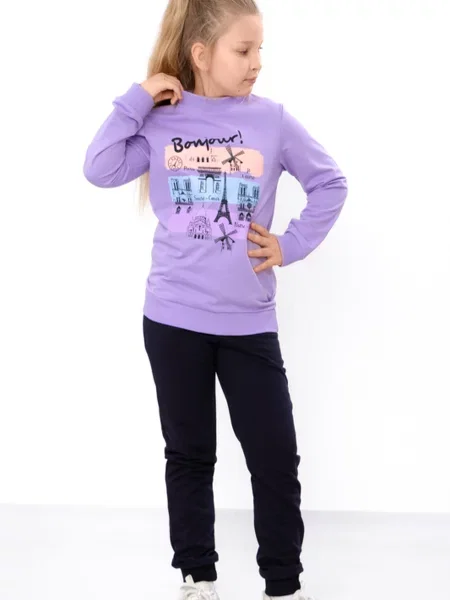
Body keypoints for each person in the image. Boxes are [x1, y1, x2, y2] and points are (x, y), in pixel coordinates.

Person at [83, 0, 348, 598]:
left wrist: (289, 245)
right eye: (243, 50)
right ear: (201, 54)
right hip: (172, 317)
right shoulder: (161, 121)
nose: (257, 62)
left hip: (248, 322)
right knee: (189, 453)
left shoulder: (272, 122)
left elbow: (330, 183)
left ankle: (283, 584)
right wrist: (138, 98)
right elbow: (98, 168)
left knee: (274, 457)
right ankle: (197, 578)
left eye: (260, 50)